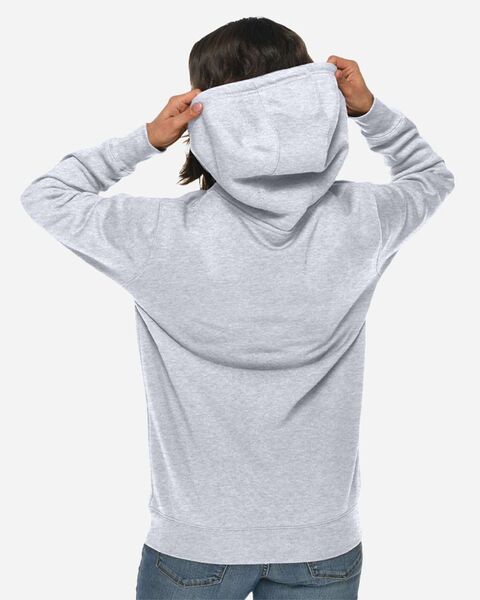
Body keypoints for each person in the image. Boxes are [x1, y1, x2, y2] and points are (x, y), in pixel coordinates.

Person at [20, 17, 454, 600]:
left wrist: (149, 138)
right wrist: (369, 111)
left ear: (204, 112)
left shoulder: (156, 237)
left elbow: (47, 195)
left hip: (194, 544)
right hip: (320, 542)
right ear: (317, 99)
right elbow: (431, 176)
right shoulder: (363, 221)